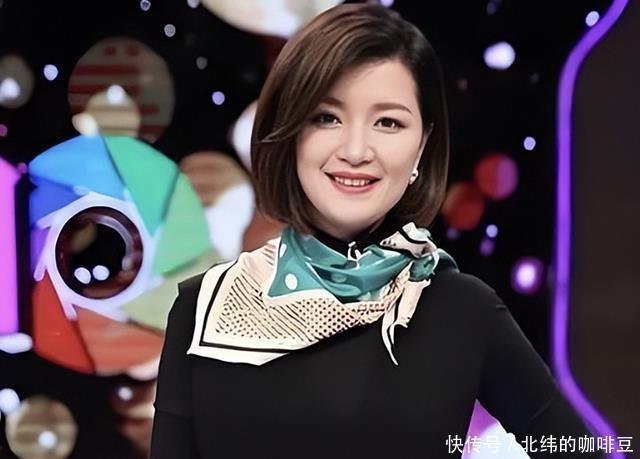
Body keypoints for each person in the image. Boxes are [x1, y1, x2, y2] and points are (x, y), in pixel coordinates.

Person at [150, 4, 604, 458]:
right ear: (289, 132)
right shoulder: (202, 307)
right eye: (326, 117)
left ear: (422, 145)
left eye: (388, 122)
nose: (355, 150)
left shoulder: (463, 310)